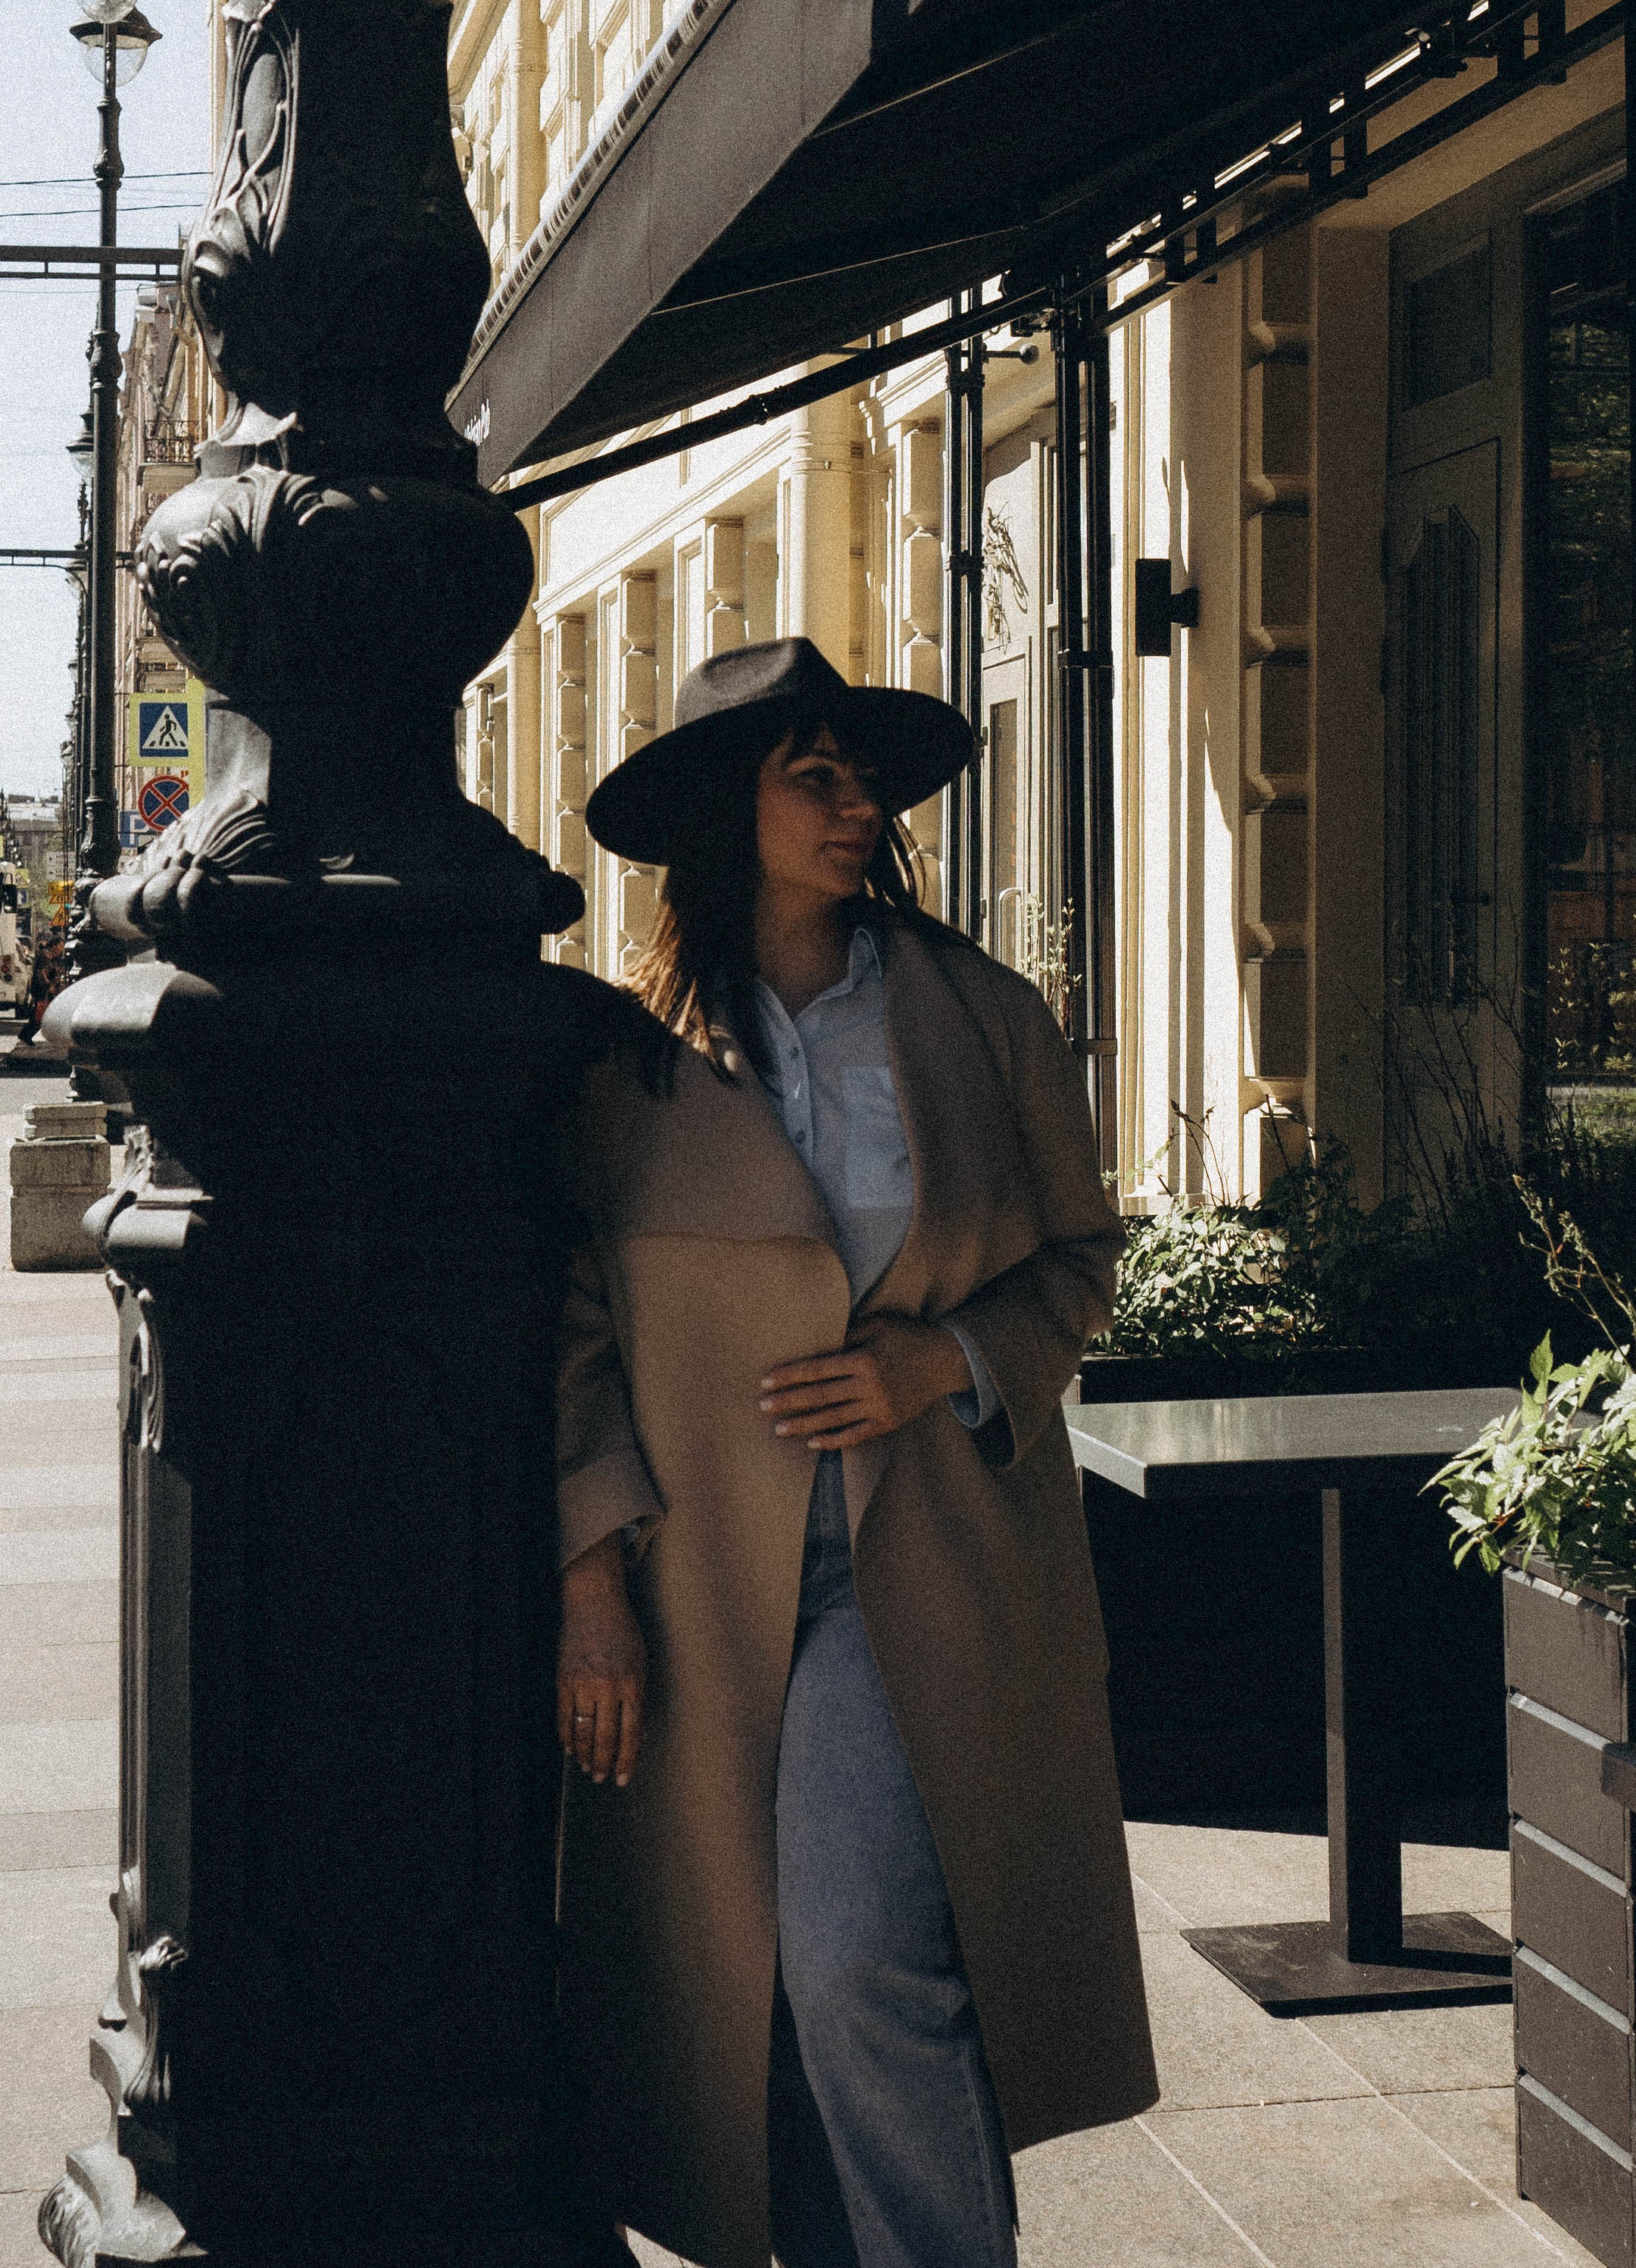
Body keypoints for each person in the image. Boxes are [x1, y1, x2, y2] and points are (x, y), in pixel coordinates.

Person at [554, 636, 1157, 2268]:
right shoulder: (629, 1065)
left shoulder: (983, 1017)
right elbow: (574, 1334)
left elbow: (1081, 1261)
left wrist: (940, 1361)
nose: (854, 800)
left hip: (929, 1564)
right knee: (746, 2000)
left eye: (859, 772)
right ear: (719, 812)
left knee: (856, 1962)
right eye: (808, 772)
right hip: (709, 1593)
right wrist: (590, 1580)